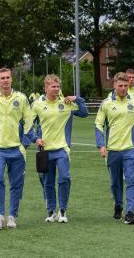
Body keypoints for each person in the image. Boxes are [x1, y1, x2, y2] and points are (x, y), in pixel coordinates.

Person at [0, 67, 33, 230]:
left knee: (16, 184)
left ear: (12, 80)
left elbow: (29, 120)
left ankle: (12, 217)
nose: (5, 80)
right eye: (2, 78)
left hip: (17, 150)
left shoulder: (21, 98)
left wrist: (24, 143)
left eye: (8, 77)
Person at [31, 74, 88, 223]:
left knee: (64, 178)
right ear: (46, 87)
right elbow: (27, 125)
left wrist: (77, 99)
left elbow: (84, 113)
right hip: (44, 151)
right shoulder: (37, 104)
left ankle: (62, 210)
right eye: (53, 86)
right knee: (48, 182)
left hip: (62, 149)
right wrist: (35, 138)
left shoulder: (66, 103)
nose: (56, 89)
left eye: (58, 86)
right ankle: (51, 211)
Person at [95, 72, 134, 225]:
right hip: (112, 150)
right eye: (120, 85)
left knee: (132, 179)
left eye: (126, 85)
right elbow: (98, 124)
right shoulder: (106, 103)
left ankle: (130, 212)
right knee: (115, 182)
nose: (123, 88)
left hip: (130, 149)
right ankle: (118, 205)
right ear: (114, 85)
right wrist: (101, 145)